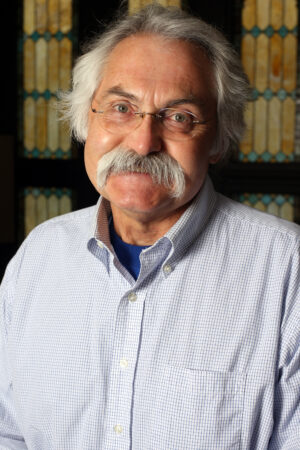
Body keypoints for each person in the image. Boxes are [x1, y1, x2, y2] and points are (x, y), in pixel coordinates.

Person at [0, 4, 299, 449]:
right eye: (122, 108)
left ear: (218, 140)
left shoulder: (287, 269)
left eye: (179, 117)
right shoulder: (39, 255)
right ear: (86, 118)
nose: (143, 142)